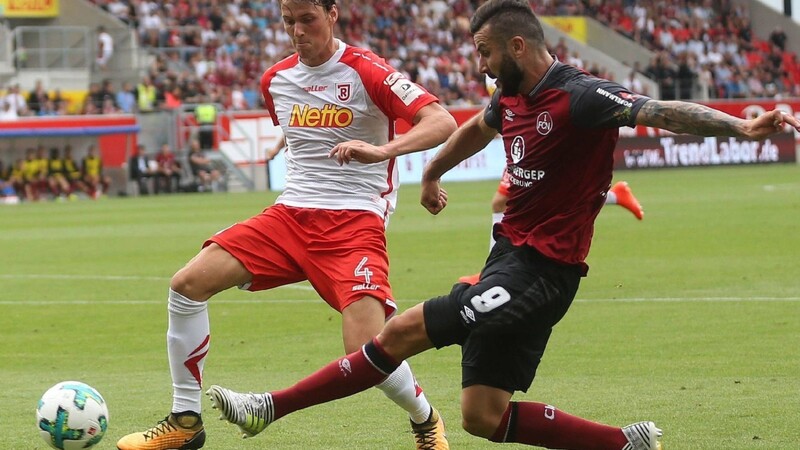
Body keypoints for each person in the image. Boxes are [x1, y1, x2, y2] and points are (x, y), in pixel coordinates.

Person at [202, 1, 800, 450]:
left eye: (485, 55)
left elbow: (661, 112)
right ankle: (624, 443)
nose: (481, 68)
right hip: (508, 261)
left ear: (517, 46)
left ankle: (268, 409)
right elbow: (478, 127)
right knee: (481, 418)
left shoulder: (581, 97)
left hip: (544, 273)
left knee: (402, 330)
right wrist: (432, 171)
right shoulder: (510, 96)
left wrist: (741, 128)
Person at [116, 1, 457, 449]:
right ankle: (185, 422)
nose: (297, 31)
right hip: (290, 215)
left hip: (354, 222)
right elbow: (305, 123)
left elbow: (443, 121)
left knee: (366, 350)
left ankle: (426, 419)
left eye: (307, 20)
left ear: (333, 14)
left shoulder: (367, 71)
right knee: (186, 284)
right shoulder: (275, 80)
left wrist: (382, 151)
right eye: (287, 21)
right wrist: (292, 144)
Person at [459, 172, 643, 284]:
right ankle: (616, 196)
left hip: (532, 137)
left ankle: (491, 274)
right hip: (524, 138)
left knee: (504, 202)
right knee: (508, 202)